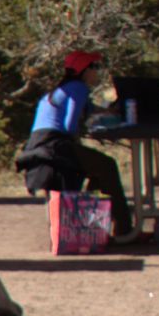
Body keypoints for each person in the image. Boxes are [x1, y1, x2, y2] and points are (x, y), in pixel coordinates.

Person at [14, 50, 134, 238]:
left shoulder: (61, 89)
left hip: (40, 144)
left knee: (98, 168)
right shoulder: (79, 87)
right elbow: (69, 125)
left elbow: (92, 111)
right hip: (56, 145)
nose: (97, 71)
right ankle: (125, 230)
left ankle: (94, 226)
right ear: (83, 70)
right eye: (94, 67)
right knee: (107, 166)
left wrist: (108, 112)